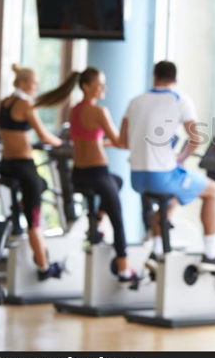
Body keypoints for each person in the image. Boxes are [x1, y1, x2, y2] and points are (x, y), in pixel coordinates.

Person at [35, 68, 138, 284]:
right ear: (86, 87)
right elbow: (121, 143)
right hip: (97, 173)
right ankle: (124, 269)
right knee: (118, 218)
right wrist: (128, 124)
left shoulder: (75, 110)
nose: (104, 89)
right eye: (100, 85)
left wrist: (110, 142)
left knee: (117, 181)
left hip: (79, 175)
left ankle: (97, 223)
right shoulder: (100, 112)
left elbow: (90, 140)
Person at [120, 60, 215, 273]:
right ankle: (212, 255)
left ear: (154, 76)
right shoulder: (180, 100)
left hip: (137, 178)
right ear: (175, 79)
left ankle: (157, 250)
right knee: (213, 190)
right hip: (162, 176)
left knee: (173, 195)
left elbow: (123, 142)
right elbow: (196, 140)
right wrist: (181, 157)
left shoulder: (135, 101)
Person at [0, 64, 63, 281]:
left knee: (42, 184)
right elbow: (44, 136)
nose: (37, 87)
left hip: (6, 164)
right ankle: (44, 268)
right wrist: (61, 142)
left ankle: (19, 209)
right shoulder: (26, 104)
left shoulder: (5, 102)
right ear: (24, 83)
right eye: (34, 83)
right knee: (35, 221)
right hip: (23, 167)